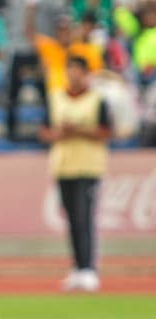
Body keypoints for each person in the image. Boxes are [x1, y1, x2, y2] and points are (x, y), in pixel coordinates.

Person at [38, 54, 110, 292]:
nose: (73, 74)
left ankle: (89, 268)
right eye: (70, 70)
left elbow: (105, 132)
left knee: (84, 217)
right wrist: (59, 134)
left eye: (78, 70)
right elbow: (44, 132)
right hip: (63, 165)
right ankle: (77, 268)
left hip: (88, 165)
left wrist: (77, 130)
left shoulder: (97, 99)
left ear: (86, 73)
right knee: (70, 219)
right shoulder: (55, 98)